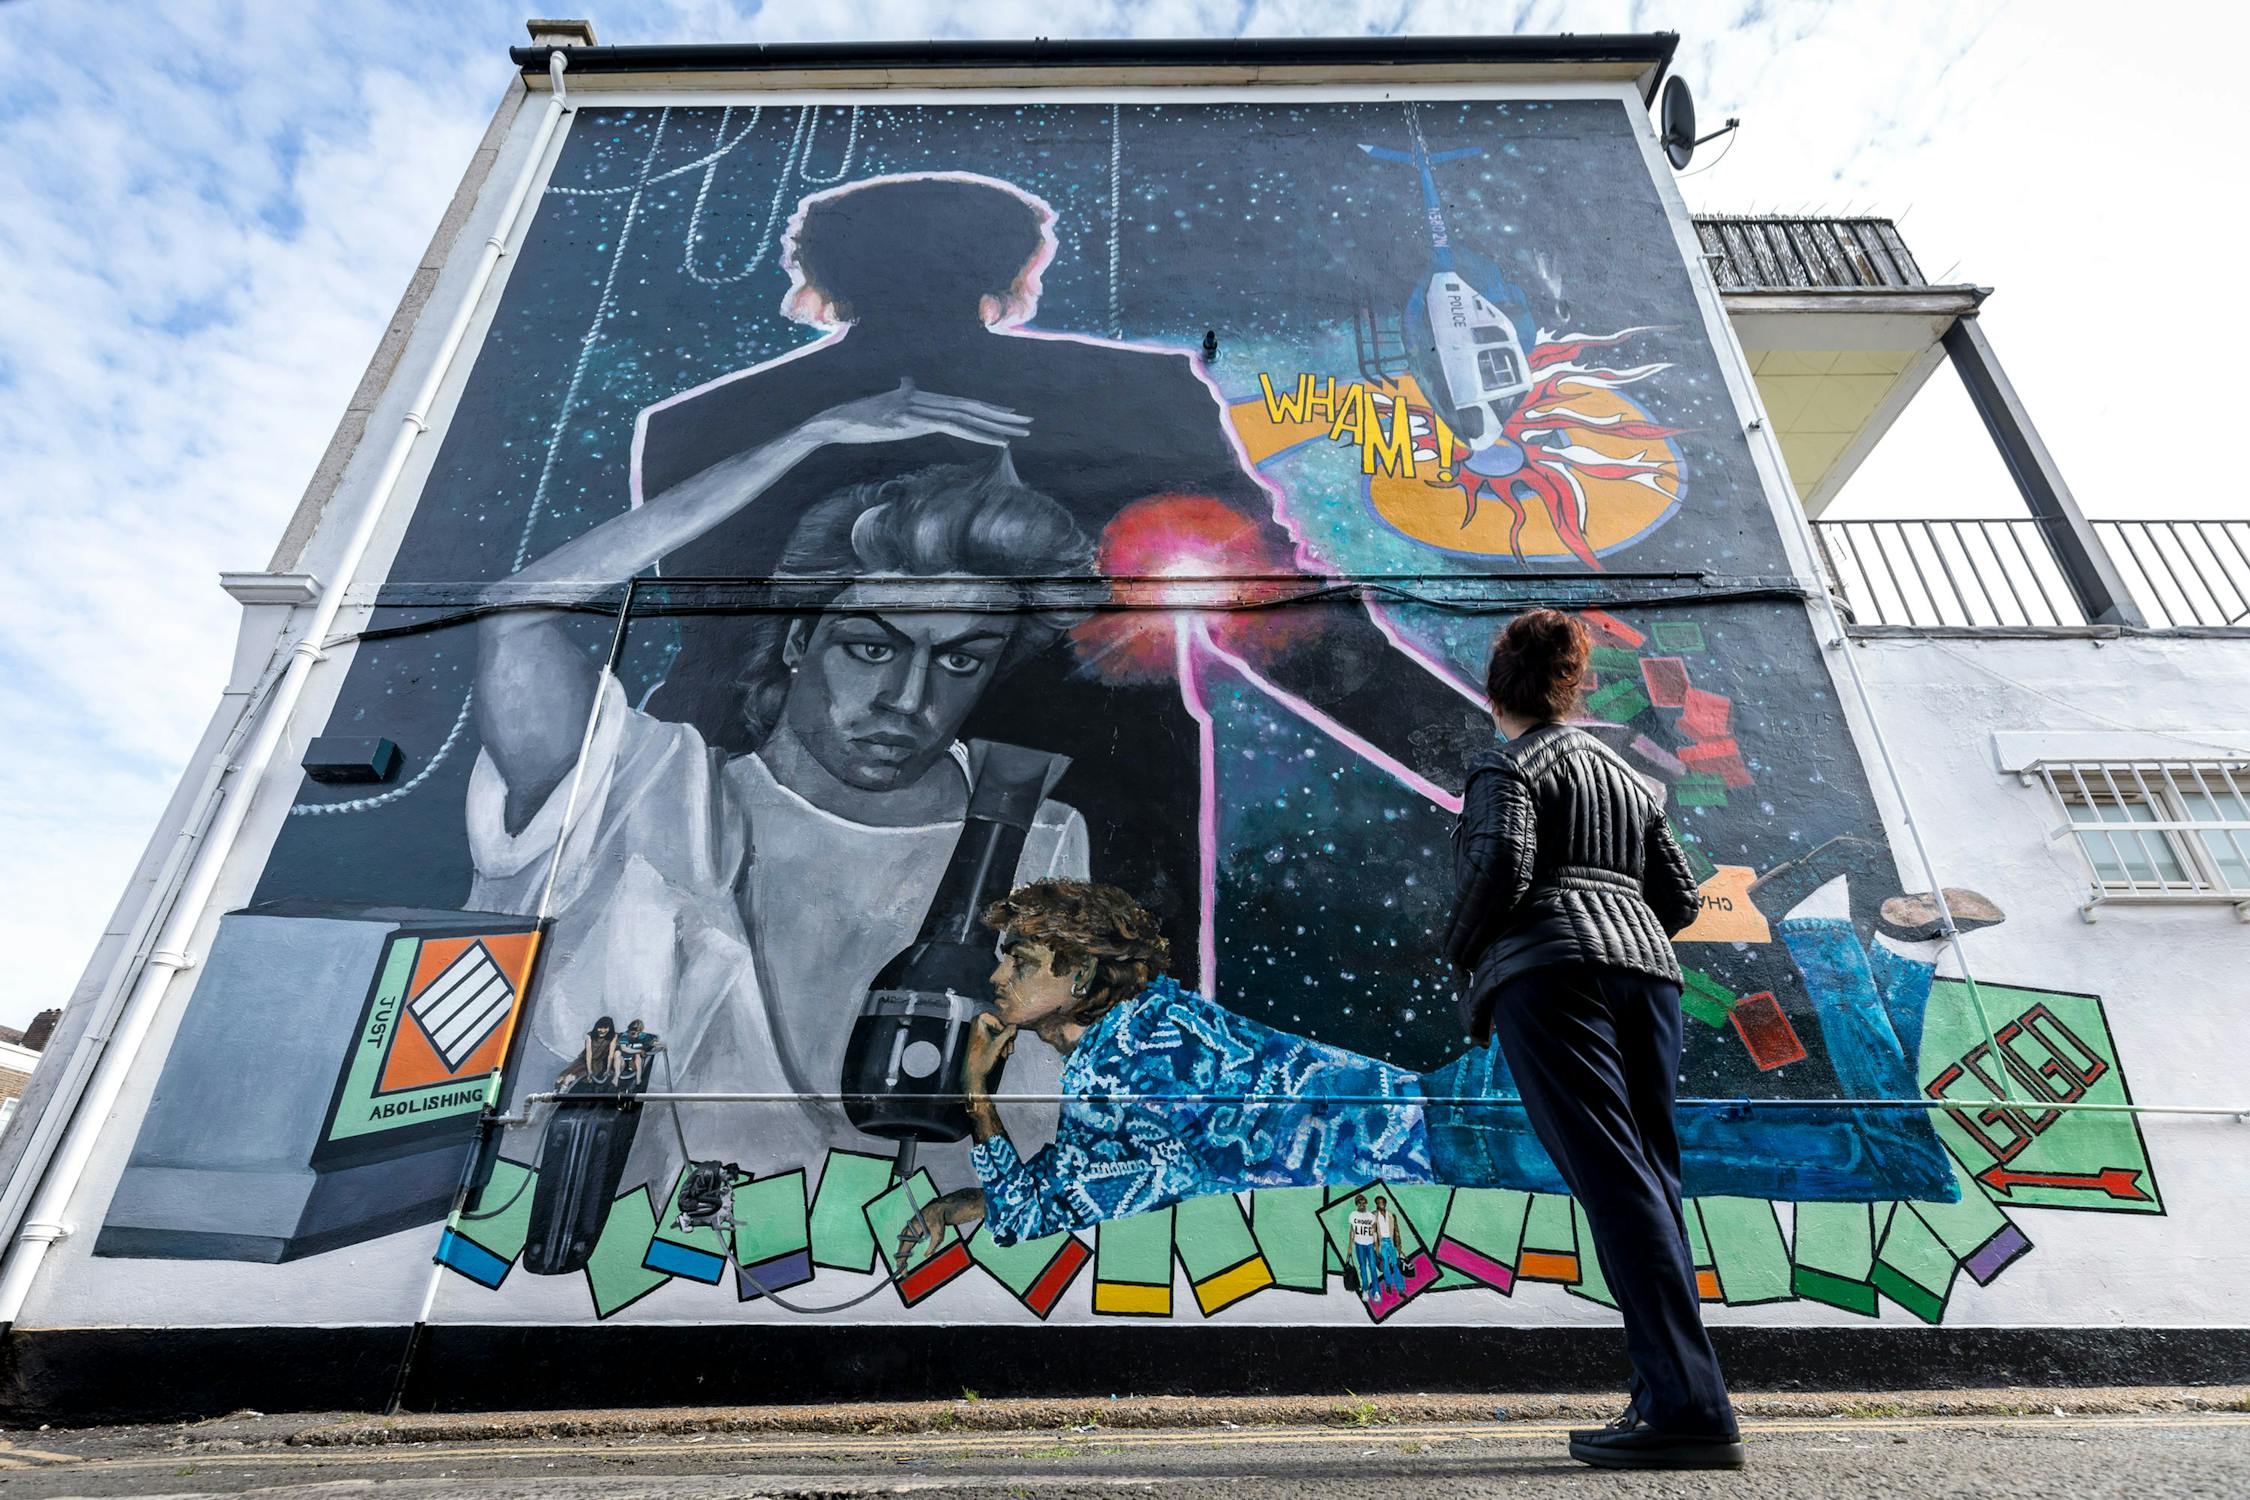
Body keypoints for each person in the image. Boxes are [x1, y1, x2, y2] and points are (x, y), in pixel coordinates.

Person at [632, 172, 1487, 977]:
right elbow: (1290, 627)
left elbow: (716, 657)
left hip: (747, 837)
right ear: (1010, 271)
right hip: (1090, 817)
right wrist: (1502, 772)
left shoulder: (698, 426)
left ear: (825, 278)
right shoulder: (1127, 391)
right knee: (1091, 1107)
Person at [470, 383, 1095, 1189]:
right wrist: (805, 434)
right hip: (632, 1278)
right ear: (802, 638)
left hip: (904, 1275)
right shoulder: (639, 788)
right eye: (871, 650)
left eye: (960, 661)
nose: (909, 700)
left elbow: (1040, 1111)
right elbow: (515, 614)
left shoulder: (1035, 836)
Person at [1443, 608, 1740, 1470]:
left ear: (1496, 692)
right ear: (1568, 689)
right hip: (1647, 978)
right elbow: (1679, 899)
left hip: (1550, 973)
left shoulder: (1505, 764)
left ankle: (1688, 1410)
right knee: (1649, 1181)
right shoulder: (1627, 778)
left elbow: (1501, 863)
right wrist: (1621, 922)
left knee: (1615, 1184)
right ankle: (1672, 1397)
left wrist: (1464, 948)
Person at [1370, 1194, 1408, 1300]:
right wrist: (1376, 1246)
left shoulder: (1392, 1215)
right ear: (1376, 1204)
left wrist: (1399, 1245)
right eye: (1378, 1202)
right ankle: (1388, 1284)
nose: (1380, 1204)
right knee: (1385, 1265)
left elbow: (1396, 1231)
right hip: (1381, 1243)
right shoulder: (1373, 1215)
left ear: (1385, 1203)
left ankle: (1400, 1289)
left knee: (1396, 1265)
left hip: (1390, 1242)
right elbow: (1373, 1232)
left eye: (1382, 1202)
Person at [1346, 1195, 1381, 1302]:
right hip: (1359, 1244)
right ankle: (1365, 1290)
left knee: (1372, 1268)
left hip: (1370, 1245)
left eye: (1363, 1202)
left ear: (1366, 1203)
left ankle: (1376, 1291)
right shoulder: (1353, 1215)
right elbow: (1352, 1231)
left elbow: (1374, 1232)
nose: (1361, 1204)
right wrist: (1350, 1246)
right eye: (1359, 1203)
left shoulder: (1371, 1216)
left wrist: (1376, 1247)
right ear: (1356, 1204)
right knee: (1362, 1268)